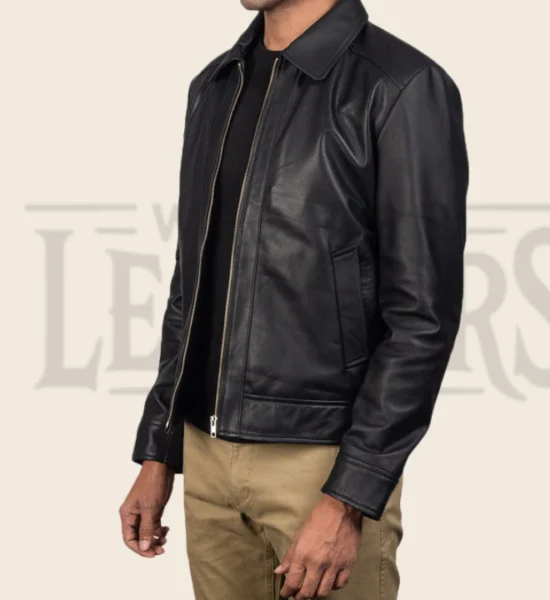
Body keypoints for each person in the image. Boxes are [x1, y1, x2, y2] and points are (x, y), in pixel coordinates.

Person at [119, 0, 469, 597]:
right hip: (206, 459)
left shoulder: (399, 85)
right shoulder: (216, 85)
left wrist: (350, 495)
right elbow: (192, 286)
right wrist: (160, 450)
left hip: (321, 466)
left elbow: (422, 319)